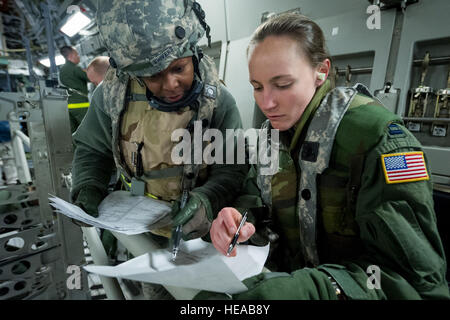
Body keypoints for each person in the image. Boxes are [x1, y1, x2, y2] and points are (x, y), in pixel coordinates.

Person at [205, 13, 450, 300]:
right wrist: (240, 220)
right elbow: (256, 199)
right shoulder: (269, 138)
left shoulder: (382, 142)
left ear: (321, 71)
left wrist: (317, 289)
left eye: (282, 84)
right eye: (257, 87)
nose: (267, 103)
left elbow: (415, 281)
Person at [70, 0, 246, 298]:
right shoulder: (113, 95)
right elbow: (92, 149)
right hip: (142, 232)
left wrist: (205, 199)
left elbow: (233, 169)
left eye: (179, 68)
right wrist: (88, 184)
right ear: (134, 74)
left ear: (193, 53)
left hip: (202, 236)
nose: (171, 84)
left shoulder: (218, 101)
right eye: (153, 76)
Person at [59, 46, 90, 134]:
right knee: (87, 130)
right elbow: (90, 77)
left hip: (68, 105)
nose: (78, 56)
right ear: (71, 55)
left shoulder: (62, 70)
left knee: (74, 132)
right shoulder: (75, 68)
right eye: (77, 54)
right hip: (80, 105)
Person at [0, 121, 18, 186]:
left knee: (9, 162)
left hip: (7, 139)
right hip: (7, 138)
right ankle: (12, 182)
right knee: (9, 162)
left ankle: (12, 182)